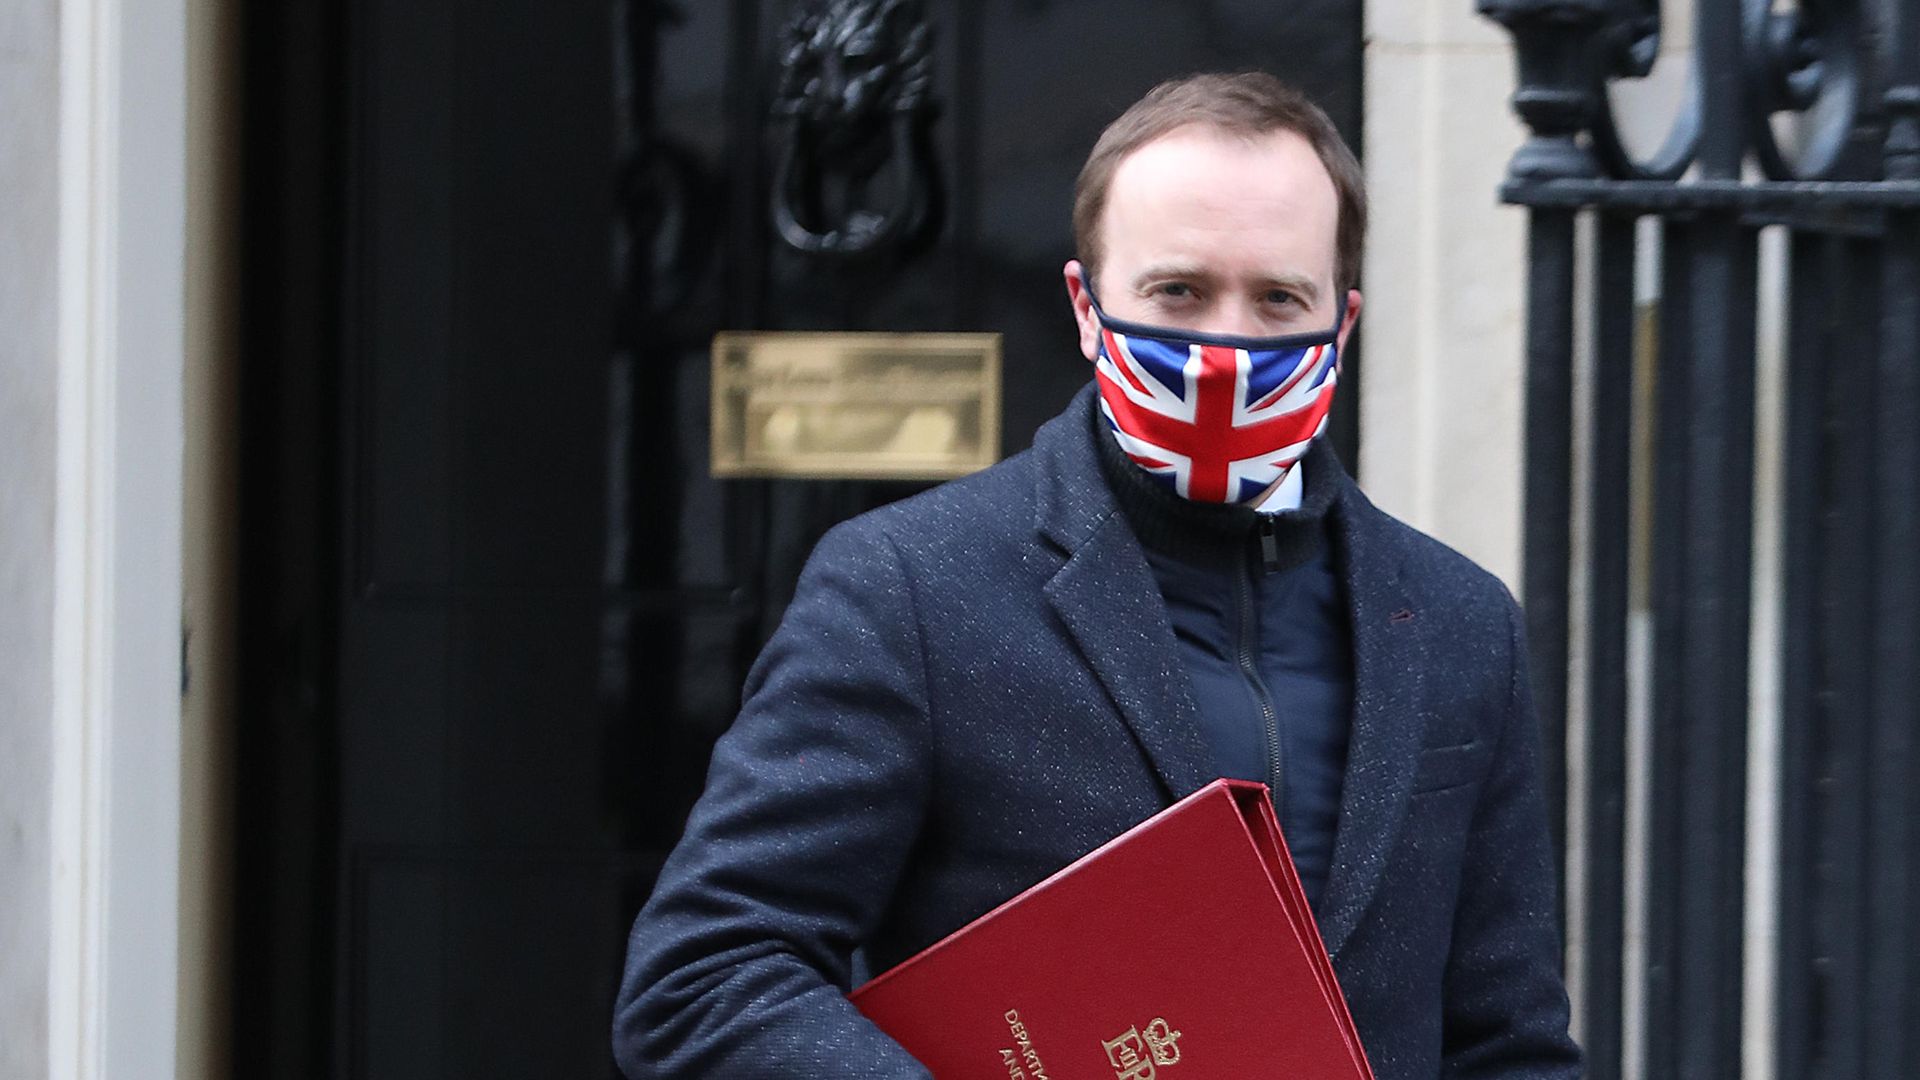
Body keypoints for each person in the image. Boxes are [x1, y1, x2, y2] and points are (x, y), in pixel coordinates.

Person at [613, 72, 1581, 1079]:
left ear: (1340, 325)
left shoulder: (1464, 623)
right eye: (1179, 291)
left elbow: (1507, 1041)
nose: (1226, 349)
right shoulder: (907, 587)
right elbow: (704, 977)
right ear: (1086, 306)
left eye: (1278, 298)